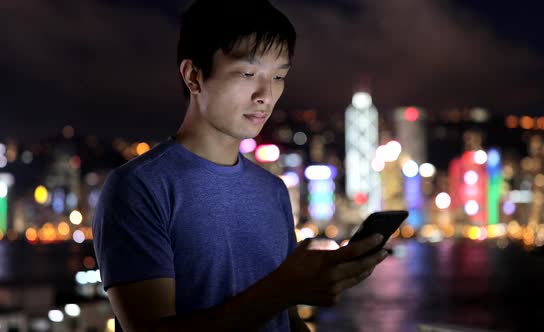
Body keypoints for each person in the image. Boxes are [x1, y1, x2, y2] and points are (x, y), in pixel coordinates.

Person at [92, 0, 389, 331]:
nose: (266, 94)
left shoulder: (273, 192)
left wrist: (298, 288)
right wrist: (285, 288)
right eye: (248, 73)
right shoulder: (140, 187)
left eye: (279, 76)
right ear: (193, 76)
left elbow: (284, 320)